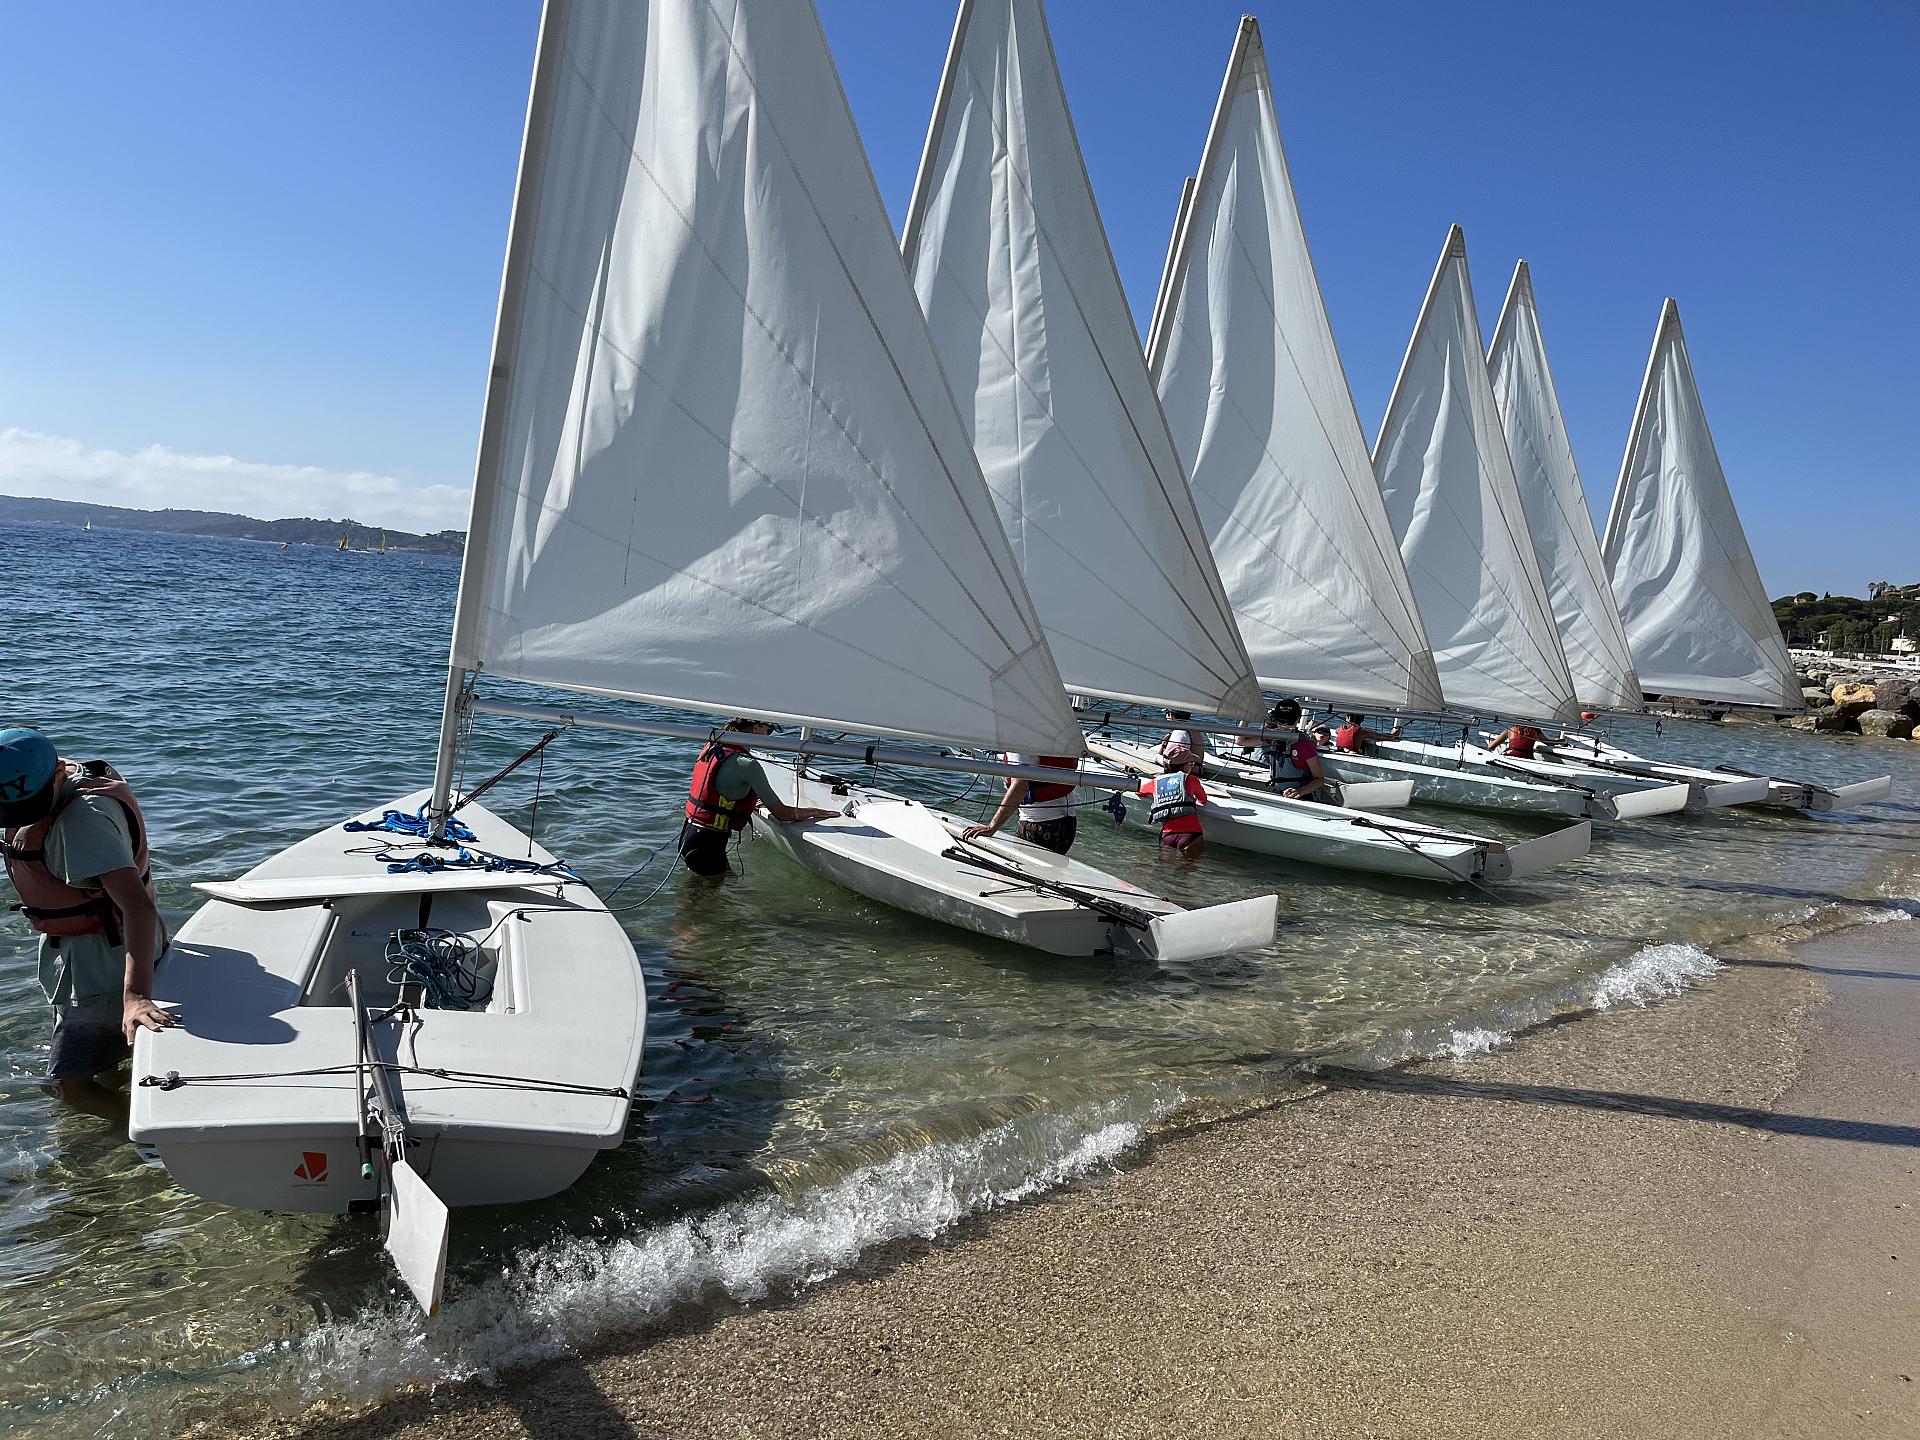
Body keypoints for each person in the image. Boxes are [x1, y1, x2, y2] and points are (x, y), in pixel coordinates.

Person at [0, 727, 172, 1114]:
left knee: (68, 1084)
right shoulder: (57, 775)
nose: (23, 818)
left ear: (58, 774)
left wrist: (136, 997)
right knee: (105, 1064)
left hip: (105, 965)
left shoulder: (84, 820)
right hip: (85, 956)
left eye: (30, 805)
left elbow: (137, 907)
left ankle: (138, 1135)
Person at [680, 719, 838, 878]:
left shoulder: (715, 747)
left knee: (716, 885)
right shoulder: (747, 764)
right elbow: (783, 814)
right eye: (769, 731)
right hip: (707, 844)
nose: (769, 736)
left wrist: (746, 803)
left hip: (691, 834)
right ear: (757, 727)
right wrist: (815, 811)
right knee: (716, 889)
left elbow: (721, 790)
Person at [962, 754, 1079, 854]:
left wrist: (992, 827)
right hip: (1066, 824)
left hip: (1040, 826)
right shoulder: (1043, 738)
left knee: (1023, 871)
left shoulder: (1019, 740)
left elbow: (1020, 786)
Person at [1138, 757, 1207, 861]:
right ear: (1183, 766)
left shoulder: (1156, 782)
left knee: (1166, 870)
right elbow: (1203, 799)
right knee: (1188, 869)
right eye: (1190, 764)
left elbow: (1140, 791)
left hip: (1168, 837)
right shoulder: (1191, 779)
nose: (1191, 766)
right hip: (1191, 835)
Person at [1260, 699, 1328, 801]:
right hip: (1277, 792)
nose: (1285, 725)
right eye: (1281, 721)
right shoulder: (1272, 736)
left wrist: (1300, 791)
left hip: (1300, 797)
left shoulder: (1305, 744)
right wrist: (1246, 716)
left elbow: (1319, 779)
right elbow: (1241, 741)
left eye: (1290, 722)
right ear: (1275, 719)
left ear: (1297, 720)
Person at [1332, 713, 1402, 753]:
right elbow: (1381, 736)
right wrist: (1393, 735)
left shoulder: (1339, 729)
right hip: (1352, 755)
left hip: (1339, 753)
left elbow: (1337, 731)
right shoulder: (1362, 732)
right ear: (1362, 719)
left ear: (1348, 718)